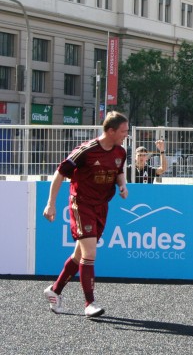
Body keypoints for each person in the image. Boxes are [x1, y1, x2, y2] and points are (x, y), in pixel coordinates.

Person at [43, 111, 129, 317]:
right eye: (124, 131)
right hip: (81, 204)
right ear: (110, 131)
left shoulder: (120, 151)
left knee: (80, 255)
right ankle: (90, 303)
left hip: (101, 206)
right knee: (90, 253)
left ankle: (54, 291)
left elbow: (118, 171)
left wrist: (122, 185)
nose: (126, 134)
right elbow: (59, 173)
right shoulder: (86, 150)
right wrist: (51, 204)